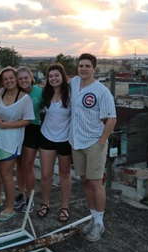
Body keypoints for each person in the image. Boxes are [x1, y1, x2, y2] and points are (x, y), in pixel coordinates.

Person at [69, 53, 116, 242]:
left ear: (94, 69)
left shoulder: (102, 91)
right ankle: (92, 217)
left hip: (94, 143)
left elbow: (111, 118)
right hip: (76, 142)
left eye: (87, 66)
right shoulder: (73, 84)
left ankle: (100, 223)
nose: (83, 69)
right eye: (81, 66)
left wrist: (102, 140)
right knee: (85, 182)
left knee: (96, 183)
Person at [0, 67, 34, 221]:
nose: (8, 81)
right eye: (5, 79)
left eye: (11, 78)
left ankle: (9, 207)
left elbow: (28, 119)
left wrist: (7, 125)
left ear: (16, 79)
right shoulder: (0, 93)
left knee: (6, 174)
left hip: (12, 141)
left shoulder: (24, 98)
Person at [38, 64, 73, 222]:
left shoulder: (71, 94)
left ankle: (64, 207)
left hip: (65, 139)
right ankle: (45, 204)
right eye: (50, 76)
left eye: (56, 75)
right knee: (46, 175)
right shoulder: (45, 94)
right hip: (47, 137)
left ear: (62, 76)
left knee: (65, 174)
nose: (53, 78)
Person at [14, 66, 43, 212]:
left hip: (33, 129)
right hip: (19, 129)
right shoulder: (15, 93)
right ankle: (21, 194)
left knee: (28, 165)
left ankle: (31, 199)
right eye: (20, 79)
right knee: (19, 164)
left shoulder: (39, 91)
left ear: (30, 77)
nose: (23, 81)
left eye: (26, 77)